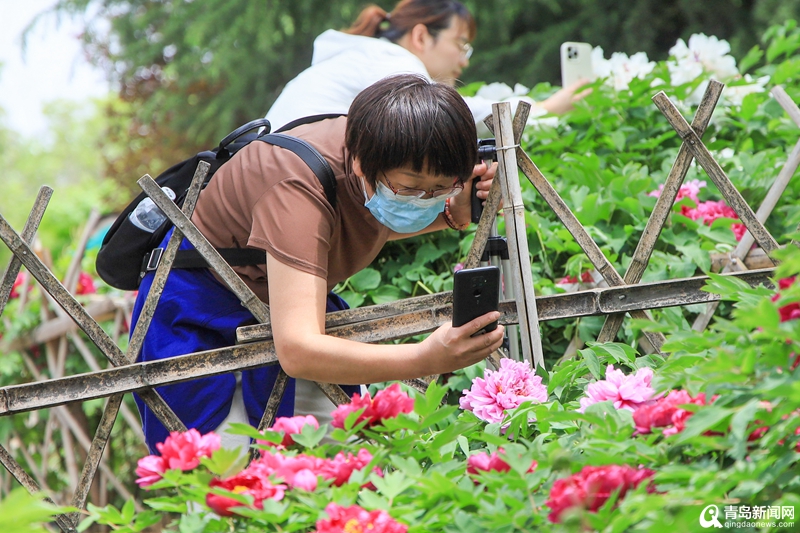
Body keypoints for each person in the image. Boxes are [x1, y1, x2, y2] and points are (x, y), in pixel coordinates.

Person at [132, 74, 505, 453]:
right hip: (201, 314)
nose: (423, 198)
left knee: (332, 462)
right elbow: (299, 349)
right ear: (360, 164)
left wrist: (454, 208)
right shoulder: (296, 186)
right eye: (409, 189)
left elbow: (373, 223)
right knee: (226, 476)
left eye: (441, 187)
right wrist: (425, 357)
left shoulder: (381, 143)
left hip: (280, 304)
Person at [265, 0, 589, 131]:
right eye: (460, 43)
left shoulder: (363, 58)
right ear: (421, 37)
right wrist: (546, 109)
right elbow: (458, 114)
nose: (464, 60)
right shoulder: (392, 60)